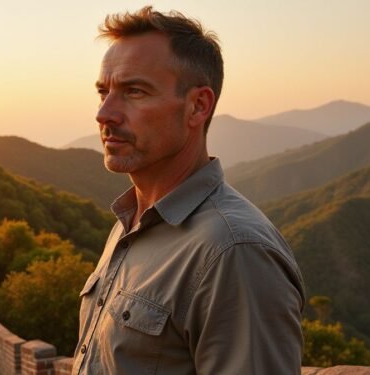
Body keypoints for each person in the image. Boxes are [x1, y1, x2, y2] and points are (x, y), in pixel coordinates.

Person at [73, 6, 305, 375]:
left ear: (197, 106)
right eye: (104, 92)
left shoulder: (234, 252)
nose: (105, 113)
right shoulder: (130, 223)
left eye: (134, 92)